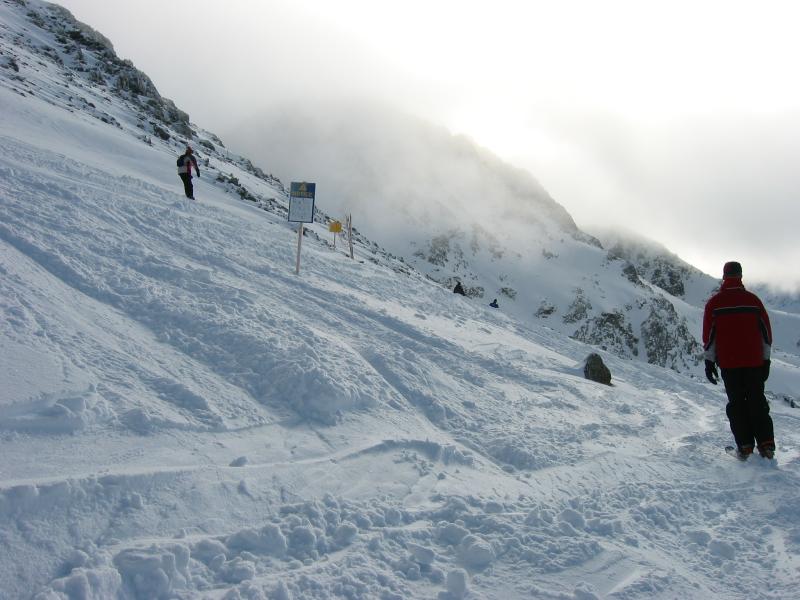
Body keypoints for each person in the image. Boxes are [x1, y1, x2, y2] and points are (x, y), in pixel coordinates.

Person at [703, 261, 775, 460]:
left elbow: (709, 337)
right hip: (754, 362)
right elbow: (766, 334)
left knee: (737, 404)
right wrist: (766, 360)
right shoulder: (753, 301)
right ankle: (766, 445)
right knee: (757, 401)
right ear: (741, 276)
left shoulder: (714, 303)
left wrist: (709, 362)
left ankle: (745, 447)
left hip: (729, 362)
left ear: (724, 276)